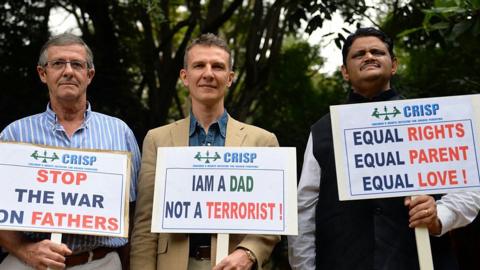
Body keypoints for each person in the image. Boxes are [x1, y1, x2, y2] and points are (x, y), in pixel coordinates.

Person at [288, 27, 480, 270]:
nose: (369, 56)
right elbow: (304, 208)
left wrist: (440, 215)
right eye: (359, 54)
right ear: (345, 72)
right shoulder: (321, 131)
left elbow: (469, 191)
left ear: (394, 65)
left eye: (377, 51)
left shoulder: (433, 120)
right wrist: (303, 267)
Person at [130, 33, 280, 270]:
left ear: (230, 78)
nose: (208, 74)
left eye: (218, 67)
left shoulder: (262, 141)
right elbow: (145, 225)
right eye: (199, 65)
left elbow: (273, 217)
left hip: (233, 265)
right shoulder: (157, 139)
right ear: (185, 76)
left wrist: (249, 252)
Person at [0, 33, 141, 270]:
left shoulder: (120, 133)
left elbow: (135, 211)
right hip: (27, 263)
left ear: (89, 75)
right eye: (58, 64)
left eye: (77, 64)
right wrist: (24, 250)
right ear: (43, 74)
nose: (68, 71)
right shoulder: (13, 136)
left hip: (101, 262)